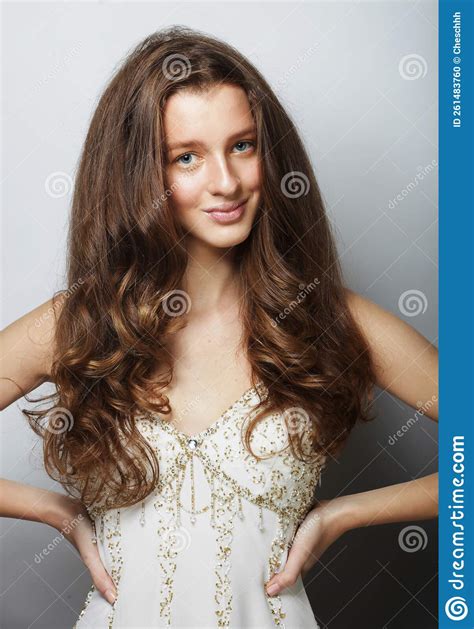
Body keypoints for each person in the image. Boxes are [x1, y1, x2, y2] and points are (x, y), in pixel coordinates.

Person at [0, 25, 438, 628]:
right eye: (187, 157)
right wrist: (58, 512)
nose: (226, 183)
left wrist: (343, 514)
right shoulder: (80, 323)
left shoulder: (327, 316)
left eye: (243, 146)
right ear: (137, 177)